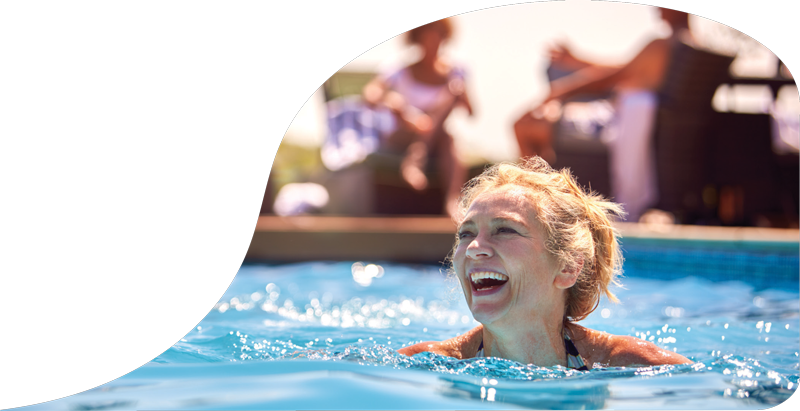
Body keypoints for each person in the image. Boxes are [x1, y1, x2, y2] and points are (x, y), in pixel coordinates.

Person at [398, 157, 693, 369]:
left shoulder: (633, 365)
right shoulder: (425, 364)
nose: (474, 248)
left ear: (568, 268)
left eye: (504, 230)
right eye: (466, 233)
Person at [513, 8, 696, 222]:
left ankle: (537, 210)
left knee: (525, 125)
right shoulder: (690, 44)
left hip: (615, 122)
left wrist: (560, 92)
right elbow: (624, 68)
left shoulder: (661, 45)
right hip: (633, 120)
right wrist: (576, 60)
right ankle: (544, 203)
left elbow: (616, 76)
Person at [361, 18, 474, 218]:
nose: (432, 42)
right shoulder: (399, 70)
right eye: (426, 36)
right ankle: (417, 160)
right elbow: (370, 96)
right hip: (402, 135)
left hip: (437, 140)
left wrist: (459, 94)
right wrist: (396, 103)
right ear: (416, 39)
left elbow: (471, 112)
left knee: (446, 131)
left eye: (437, 36)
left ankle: (449, 197)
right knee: (444, 136)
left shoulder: (456, 73)